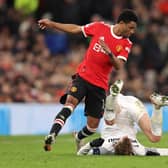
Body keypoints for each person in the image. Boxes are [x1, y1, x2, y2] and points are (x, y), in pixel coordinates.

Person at [38, 9, 138, 151]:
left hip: (99, 86)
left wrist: (109, 53)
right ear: (122, 23)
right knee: (70, 103)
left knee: (92, 127)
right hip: (83, 76)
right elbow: (75, 29)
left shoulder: (126, 44)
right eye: (131, 28)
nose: (132, 31)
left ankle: (78, 137)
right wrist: (52, 24)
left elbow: (118, 66)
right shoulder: (100, 27)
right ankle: (52, 134)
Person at [77, 80, 168, 156]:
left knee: (155, 137)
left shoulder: (138, 150)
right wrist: (81, 150)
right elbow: (88, 149)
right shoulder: (106, 146)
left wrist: (84, 149)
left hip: (131, 103)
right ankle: (113, 97)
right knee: (110, 121)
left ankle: (157, 108)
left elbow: (159, 151)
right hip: (123, 105)